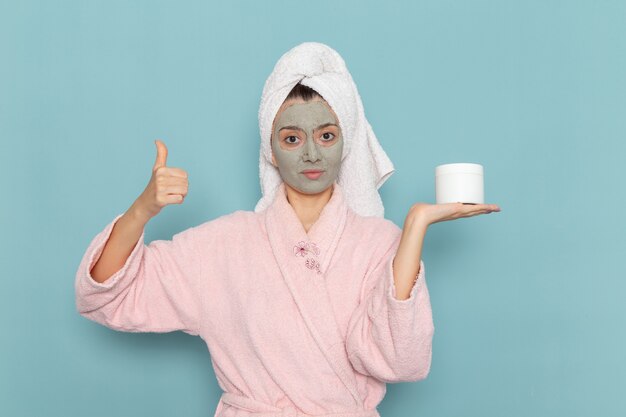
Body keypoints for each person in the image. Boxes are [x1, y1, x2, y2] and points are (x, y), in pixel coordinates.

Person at [75, 42, 500, 417]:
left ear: (346, 144)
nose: (312, 153)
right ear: (271, 150)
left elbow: (400, 359)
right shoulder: (224, 245)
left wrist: (414, 227)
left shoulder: (379, 243)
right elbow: (109, 294)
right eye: (292, 138)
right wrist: (141, 210)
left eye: (327, 135)